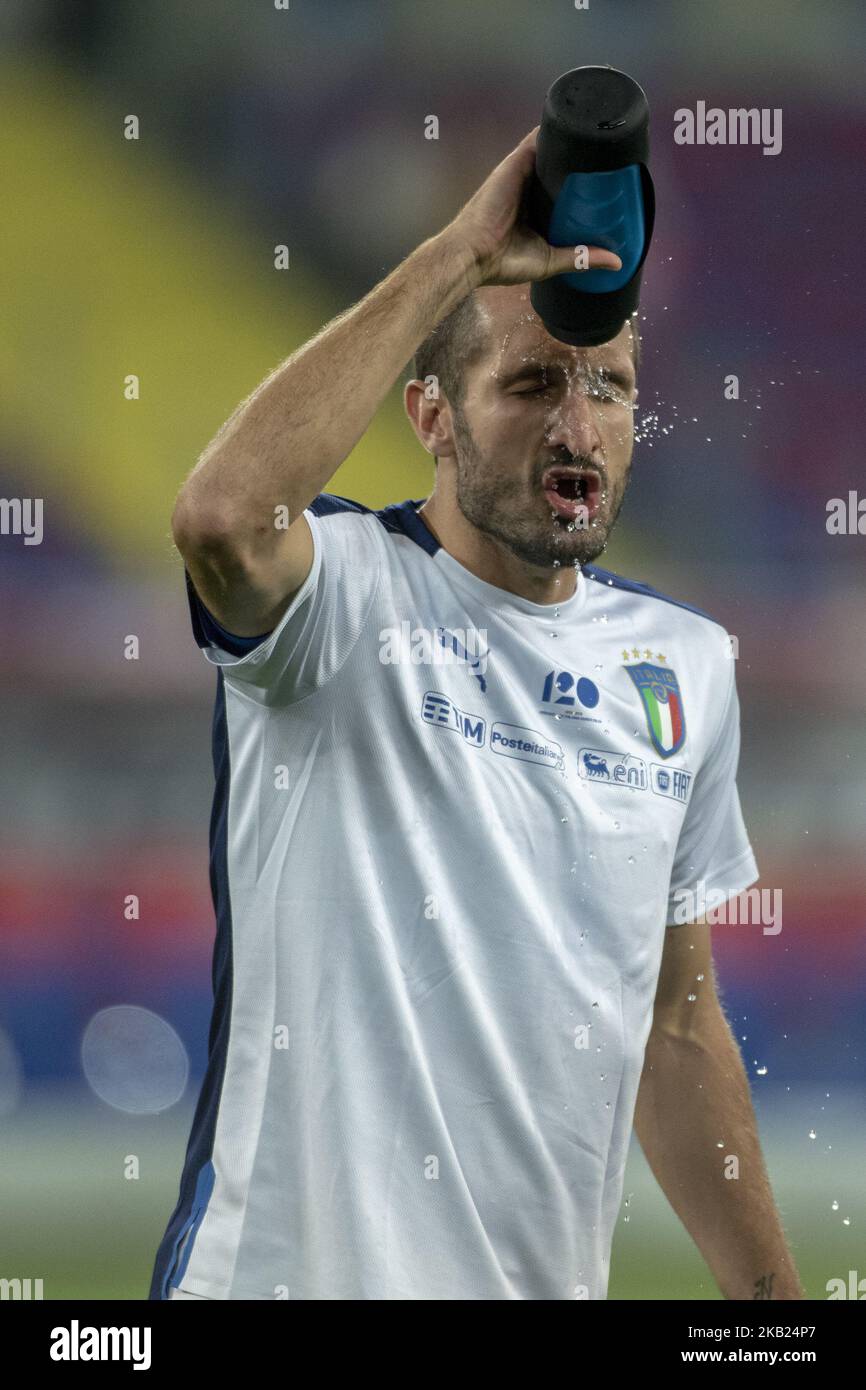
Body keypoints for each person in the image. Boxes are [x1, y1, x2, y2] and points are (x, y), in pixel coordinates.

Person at [151, 127, 803, 1301]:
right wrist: (458, 257)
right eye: (530, 381)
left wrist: (769, 1308)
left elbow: (674, 1025)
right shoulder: (340, 593)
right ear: (431, 415)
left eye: (608, 386)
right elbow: (219, 521)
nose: (577, 426)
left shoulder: (681, 666)